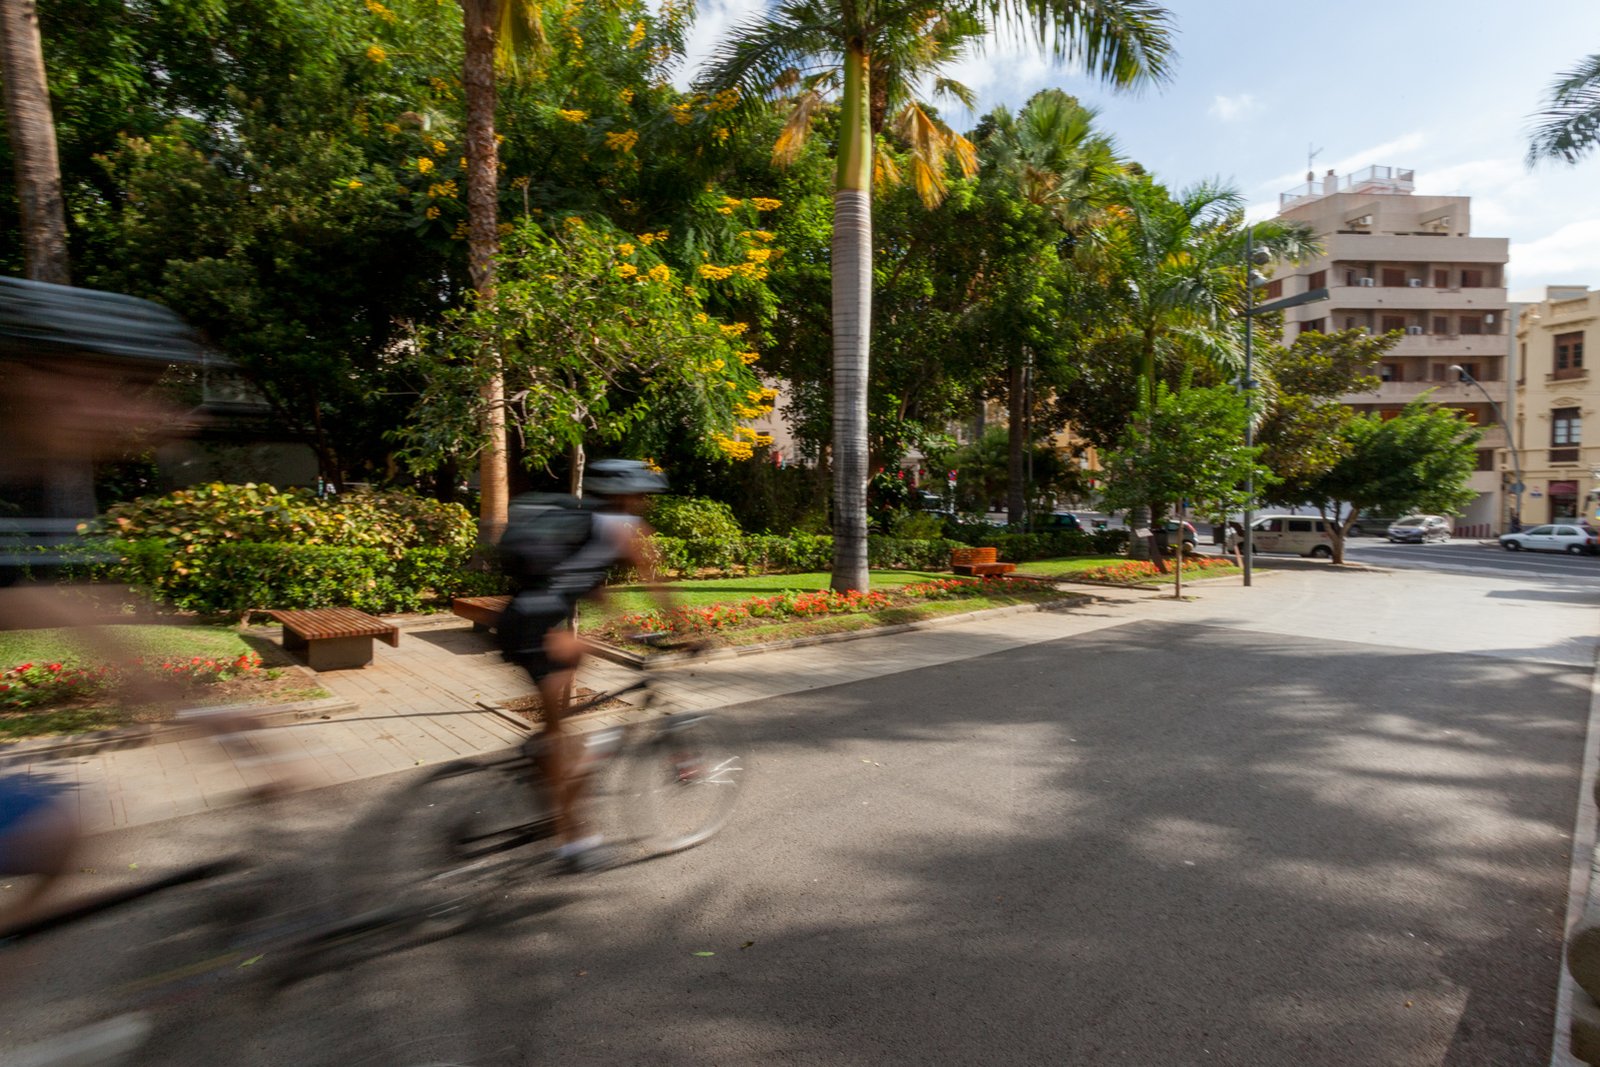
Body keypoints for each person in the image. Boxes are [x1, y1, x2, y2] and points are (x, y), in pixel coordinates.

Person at [496, 460, 677, 873]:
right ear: (628, 494)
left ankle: (545, 757)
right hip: (536, 630)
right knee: (568, 748)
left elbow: (591, 586)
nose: (645, 503)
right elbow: (658, 588)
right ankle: (575, 844)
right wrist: (688, 632)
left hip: (519, 619)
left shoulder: (582, 524)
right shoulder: (623, 530)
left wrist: (624, 628)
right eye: (642, 495)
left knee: (560, 731)